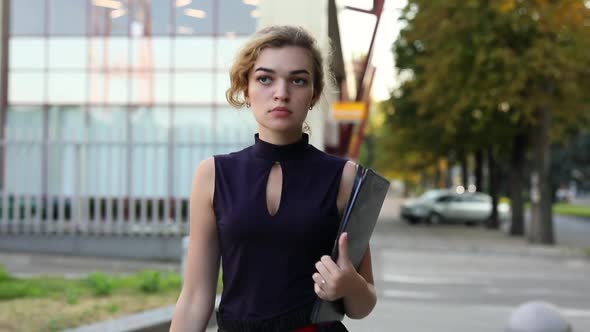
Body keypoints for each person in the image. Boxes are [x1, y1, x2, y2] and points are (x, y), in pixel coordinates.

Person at [169, 25, 377, 332]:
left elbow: (363, 304)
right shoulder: (212, 175)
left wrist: (347, 286)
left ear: (314, 94)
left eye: (298, 80)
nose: (281, 93)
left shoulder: (345, 177)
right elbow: (195, 298)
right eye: (265, 78)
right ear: (246, 89)